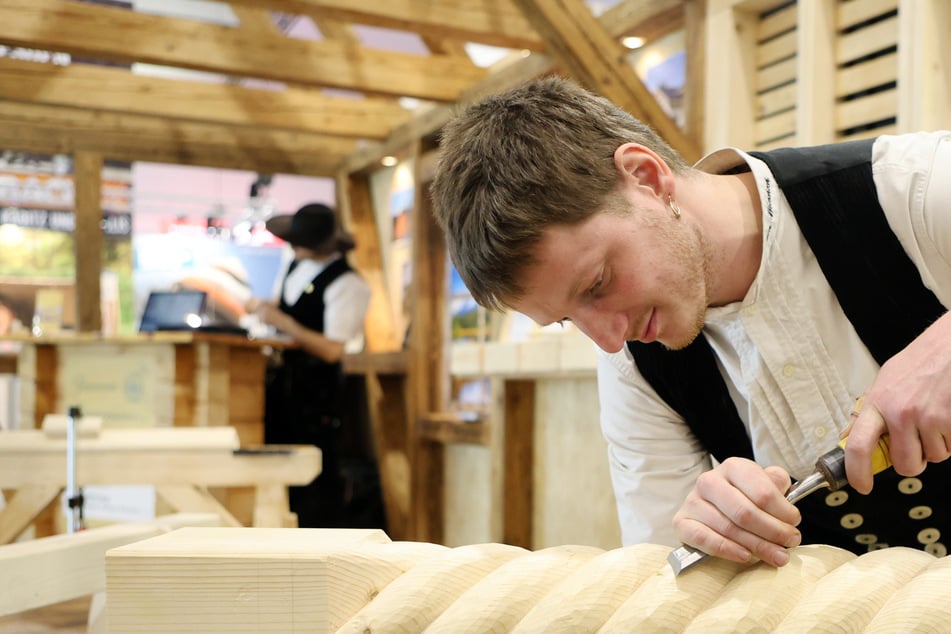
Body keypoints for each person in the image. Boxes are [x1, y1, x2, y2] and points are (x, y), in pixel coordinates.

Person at [430, 75, 951, 567]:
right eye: (568, 318)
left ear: (647, 177)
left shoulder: (911, 189)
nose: (610, 341)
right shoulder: (636, 364)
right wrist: (702, 536)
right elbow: (662, 569)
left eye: (597, 284)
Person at [248, 202, 371, 528]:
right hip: (283, 389)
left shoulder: (348, 284)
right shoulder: (294, 266)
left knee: (315, 476)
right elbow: (289, 305)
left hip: (318, 395)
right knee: (280, 470)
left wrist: (284, 323)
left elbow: (332, 350)